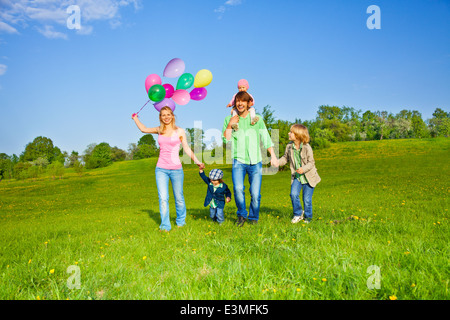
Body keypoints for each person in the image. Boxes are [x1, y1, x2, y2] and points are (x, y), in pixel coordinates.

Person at [132, 106, 205, 232]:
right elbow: (144, 129)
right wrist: (135, 118)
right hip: (161, 169)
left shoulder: (180, 131)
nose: (166, 117)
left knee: (179, 198)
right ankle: (165, 226)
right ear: (160, 117)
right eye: (163, 115)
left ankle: (181, 222)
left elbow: (186, 148)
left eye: (168, 114)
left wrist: (198, 162)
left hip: (176, 169)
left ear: (172, 116)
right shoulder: (159, 130)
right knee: (163, 198)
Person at [222, 91, 278, 226]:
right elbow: (225, 141)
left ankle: (253, 217)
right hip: (238, 160)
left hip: (256, 161)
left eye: (243, 101)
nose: (240, 103)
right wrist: (230, 124)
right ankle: (241, 215)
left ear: (248, 103)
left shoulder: (257, 119)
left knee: (255, 193)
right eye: (238, 101)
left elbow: (266, 138)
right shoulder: (229, 119)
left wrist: (273, 156)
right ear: (235, 103)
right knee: (238, 189)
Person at [277, 124, 321, 224]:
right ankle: (298, 214)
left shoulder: (307, 147)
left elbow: (311, 163)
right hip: (297, 177)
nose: (289, 133)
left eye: (291, 132)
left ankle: (308, 218)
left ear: (298, 135)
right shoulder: (289, 146)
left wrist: (303, 169)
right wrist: (277, 162)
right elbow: (285, 158)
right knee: (293, 194)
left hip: (309, 177)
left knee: (307, 200)